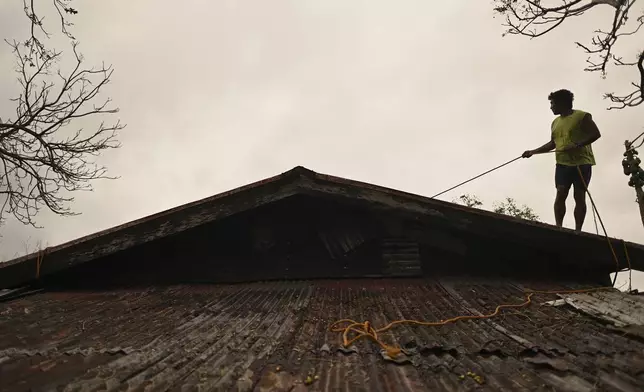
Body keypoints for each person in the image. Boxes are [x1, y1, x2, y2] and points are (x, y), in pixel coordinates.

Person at [522, 89, 601, 231]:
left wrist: (577, 145)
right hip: (562, 163)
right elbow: (553, 143)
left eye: (552, 103)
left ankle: (578, 230)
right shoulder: (555, 122)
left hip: (582, 162)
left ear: (562, 103)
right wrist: (533, 152)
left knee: (579, 195)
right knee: (561, 194)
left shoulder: (582, 116)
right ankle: (559, 227)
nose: (551, 107)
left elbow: (596, 134)